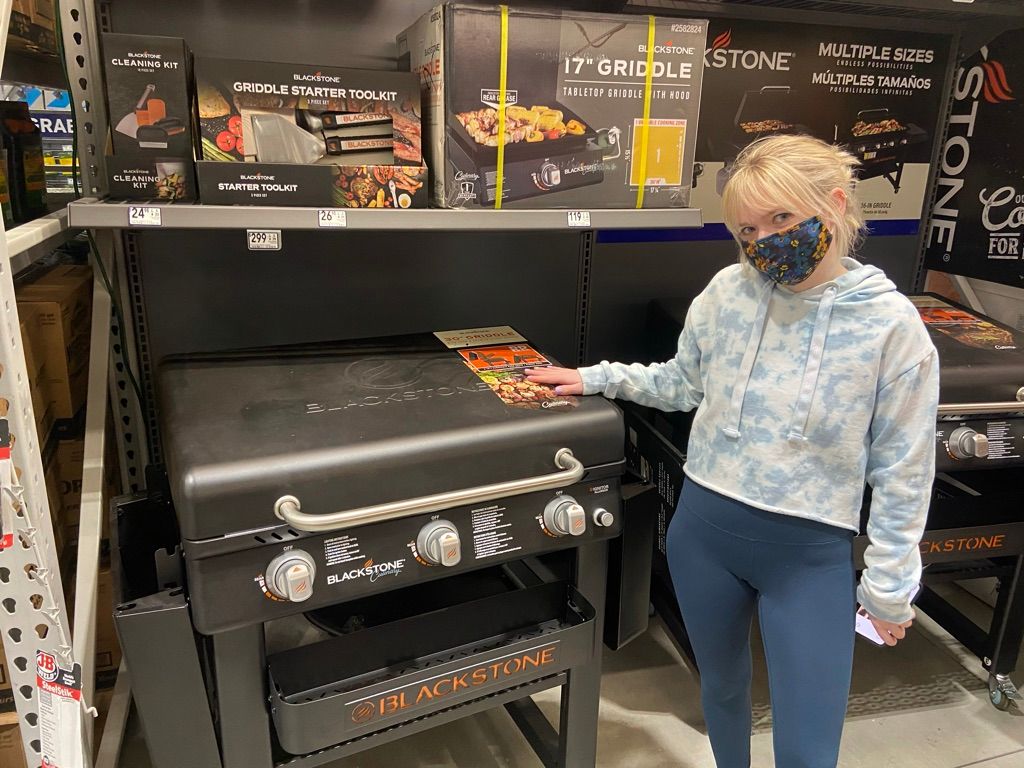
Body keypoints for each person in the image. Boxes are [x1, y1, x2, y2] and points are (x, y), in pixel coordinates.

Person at [525, 134, 938, 768]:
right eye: (747, 229)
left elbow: (904, 468)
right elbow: (682, 383)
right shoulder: (726, 293)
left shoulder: (891, 327)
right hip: (703, 535)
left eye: (781, 218)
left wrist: (889, 588)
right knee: (719, 690)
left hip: (808, 558)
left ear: (833, 204)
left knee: (808, 744)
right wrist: (595, 378)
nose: (763, 241)